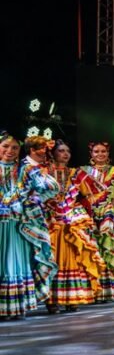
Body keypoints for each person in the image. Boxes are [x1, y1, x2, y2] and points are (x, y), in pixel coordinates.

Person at [70, 142, 114, 301]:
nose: (100, 154)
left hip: (111, 214)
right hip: (89, 215)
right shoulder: (82, 172)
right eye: (96, 151)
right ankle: (94, 290)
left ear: (108, 153)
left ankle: (111, 290)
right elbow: (73, 193)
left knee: (111, 249)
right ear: (91, 154)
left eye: (103, 151)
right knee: (93, 250)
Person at [0, 133, 57, 319]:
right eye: (5, 146)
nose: (10, 151)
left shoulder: (25, 170)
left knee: (13, 263)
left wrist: (33, 198)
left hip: (17, 225)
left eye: (14, 148)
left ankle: (14, 307)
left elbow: (52, 188)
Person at [45, 140, 102, 312]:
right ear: (52, 153)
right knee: (52, 258)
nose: (65, 154)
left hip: (71, 221)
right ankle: (52, 299)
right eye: (61, 151)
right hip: (50, 220)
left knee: (74, 256)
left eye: (68, 151)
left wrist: (81, 205)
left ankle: (73, 297)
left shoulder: (76, 173)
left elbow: (96, 191)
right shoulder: (43, 172)